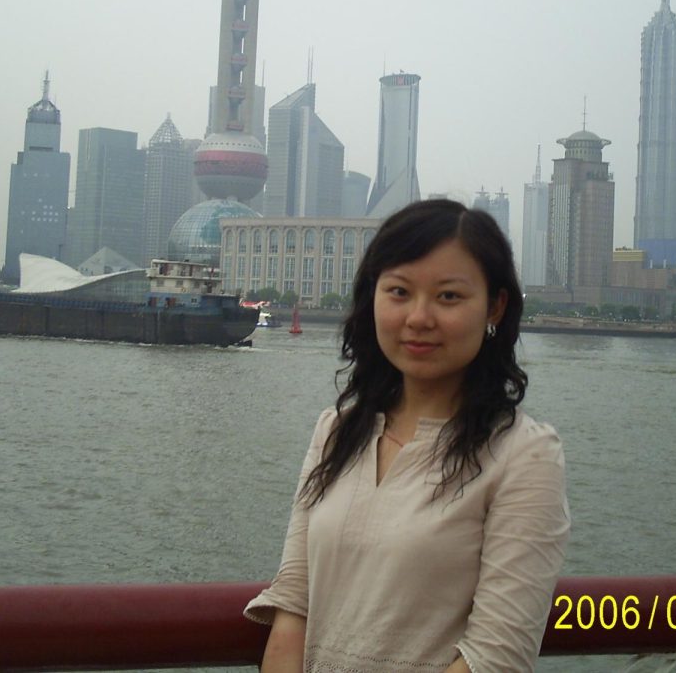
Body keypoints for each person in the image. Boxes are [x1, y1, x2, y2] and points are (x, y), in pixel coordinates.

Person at [244, 199, 570, 672]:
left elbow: (497, 656)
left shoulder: (524, 456)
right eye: (398, 291)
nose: (419, 317)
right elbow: (293, 601)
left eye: (448, 297)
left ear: (495, 306)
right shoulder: (336, 431)